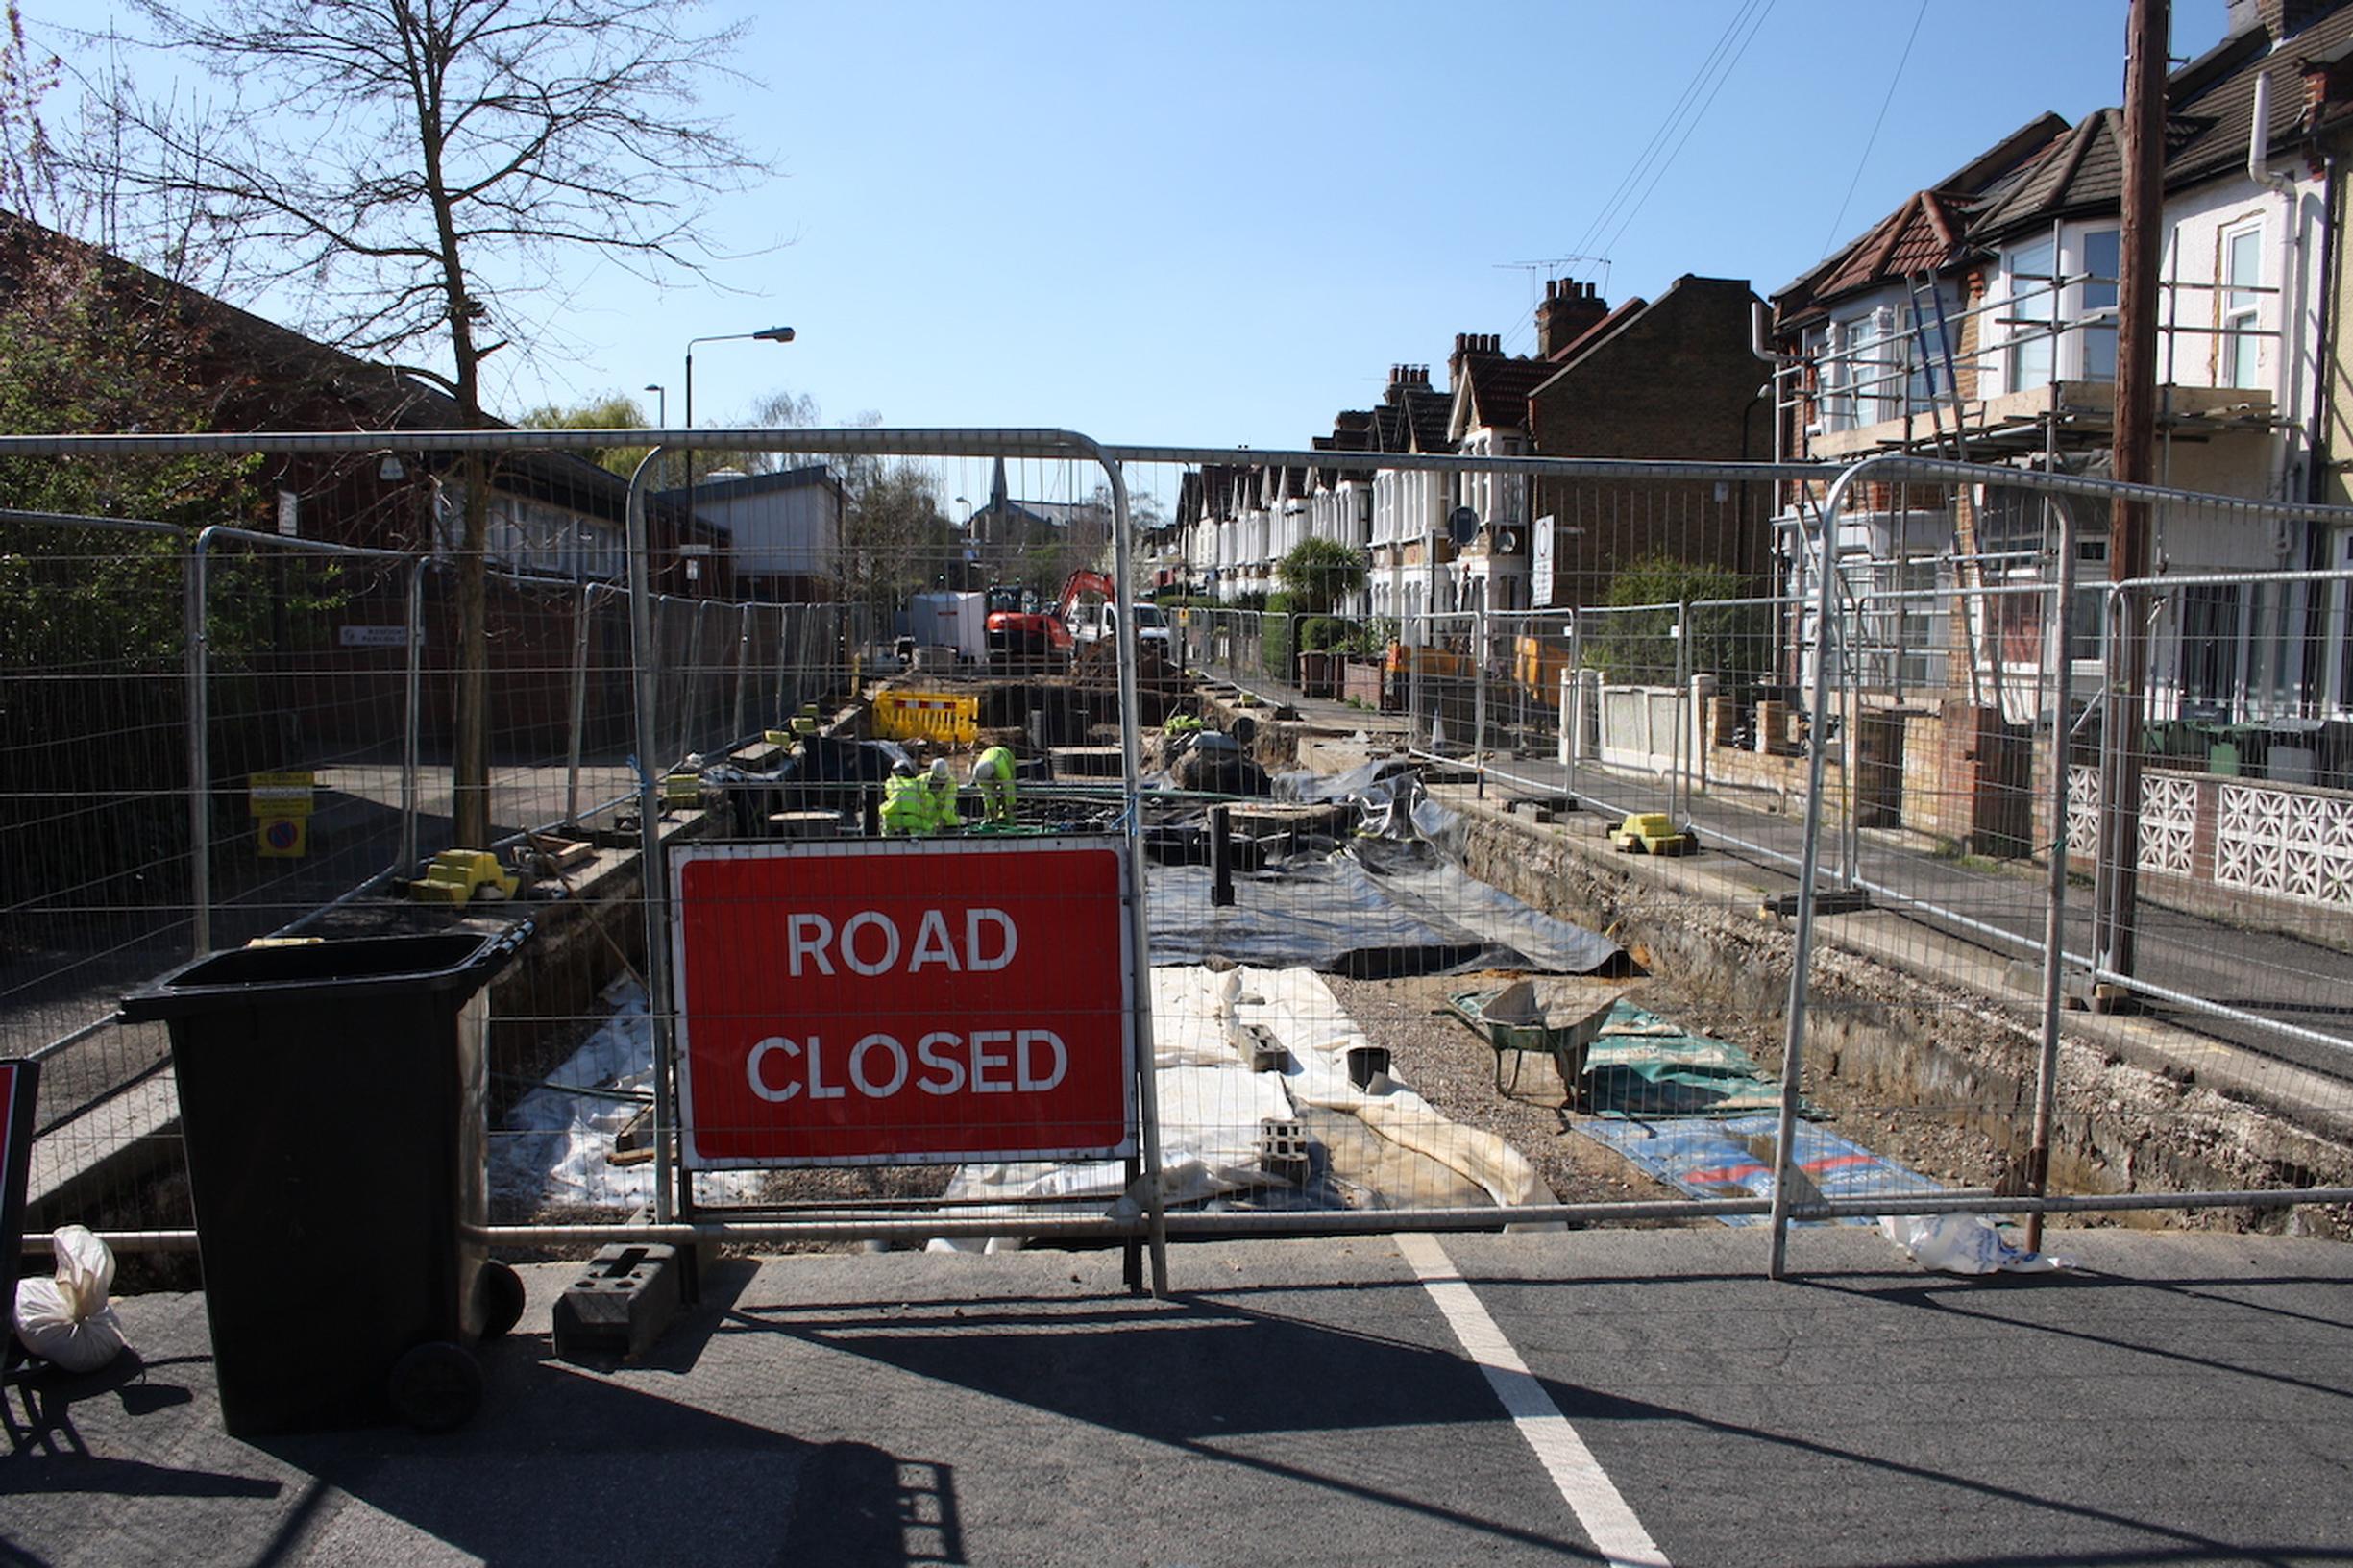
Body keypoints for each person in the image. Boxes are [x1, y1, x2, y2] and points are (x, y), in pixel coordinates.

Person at [879, 758, 932, 836]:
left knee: (885, 820)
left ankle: (885, 839)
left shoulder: (891, 782)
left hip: (894, 818)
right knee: (928, 828)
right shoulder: (917, 783)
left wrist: (882, 808)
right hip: (914, 819)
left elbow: (889, 795)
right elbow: (928, 799)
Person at [969, 745, 1017, 825]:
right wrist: (992, 813)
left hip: (1006, 757)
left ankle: (1005, 814)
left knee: (1005, 791)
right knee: (990, 797)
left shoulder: (1001, 767)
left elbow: (1009, 789)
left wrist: (1010, 807)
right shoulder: (979, 774)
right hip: (989, 756)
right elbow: (987, 795)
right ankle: (991, 817)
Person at [923, 757, 963, 830]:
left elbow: (949, 804)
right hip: (927, 823)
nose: (942, 782)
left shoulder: (951, 783)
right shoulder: (922, 780)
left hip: (948, 824)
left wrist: (942, 820)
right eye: (939, 779)